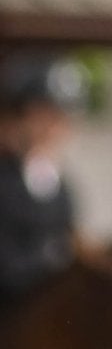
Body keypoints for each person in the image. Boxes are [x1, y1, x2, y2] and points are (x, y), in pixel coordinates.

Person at [0, 53, 85, 305]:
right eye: (44, 116)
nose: (53, 127)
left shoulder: (62, 188)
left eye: (60, 118)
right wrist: (52, 259)